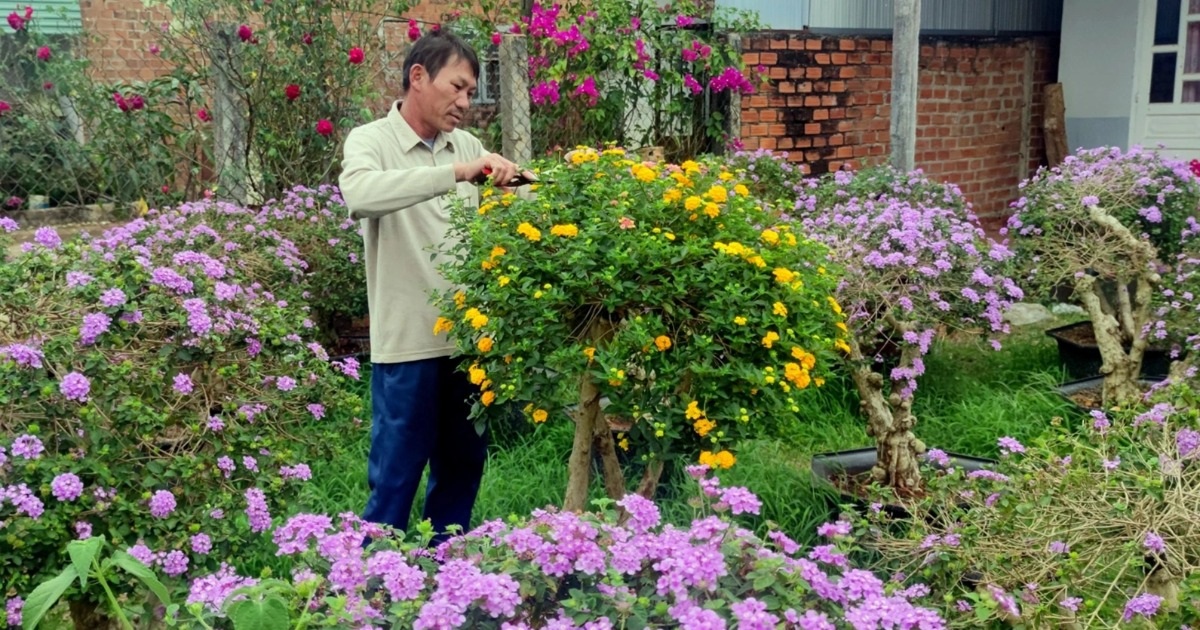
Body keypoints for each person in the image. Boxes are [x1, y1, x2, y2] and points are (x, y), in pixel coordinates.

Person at [338, 29, 524, 544]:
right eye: (457, 87)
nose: (465, 103)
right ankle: (375, 591)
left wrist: (530, 183)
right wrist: (456, 172)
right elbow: (360, 194)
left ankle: (445, 584)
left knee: (461, 476)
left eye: (470, 92)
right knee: (394, 484)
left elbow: (528, 200)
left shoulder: (464, 144)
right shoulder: (372, 141)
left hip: (468, 346)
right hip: (408, 347)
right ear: (418, 77)